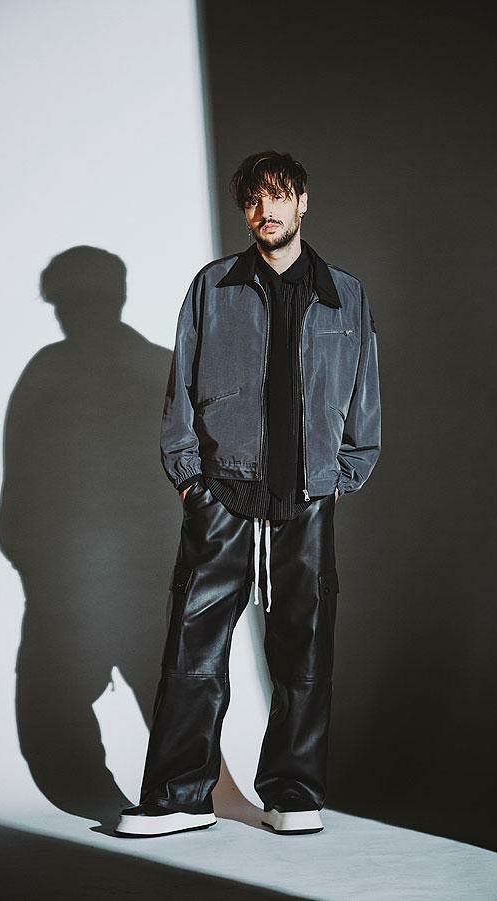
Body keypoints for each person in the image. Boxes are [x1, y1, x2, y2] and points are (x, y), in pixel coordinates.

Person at [115, 150, 381, 838]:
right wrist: (190, 481)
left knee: (305, 652)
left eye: (279, 196)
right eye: (255, 200)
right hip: (223, 494)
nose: (267, 211)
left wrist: (342, 476)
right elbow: (181, 387)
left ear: (303, 201)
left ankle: (293, 794)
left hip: (306, 498)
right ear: (245, 211)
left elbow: (364, 393)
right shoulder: (213, 286)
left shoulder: (345, 294)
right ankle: (178, 797)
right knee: (194, 650)